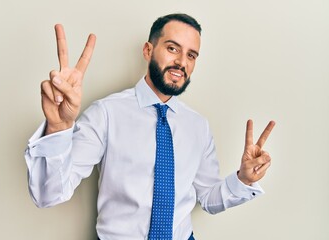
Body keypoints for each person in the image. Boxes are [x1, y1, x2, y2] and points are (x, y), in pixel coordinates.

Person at [25, 13, 275, 240]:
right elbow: (48, 195)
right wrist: (59, 127)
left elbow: (208, 198)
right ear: (148, 50)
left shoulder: (198, 126)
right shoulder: (106, 113)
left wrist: (243, 179)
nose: (181, 62)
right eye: (172, 48)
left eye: (191, 55)